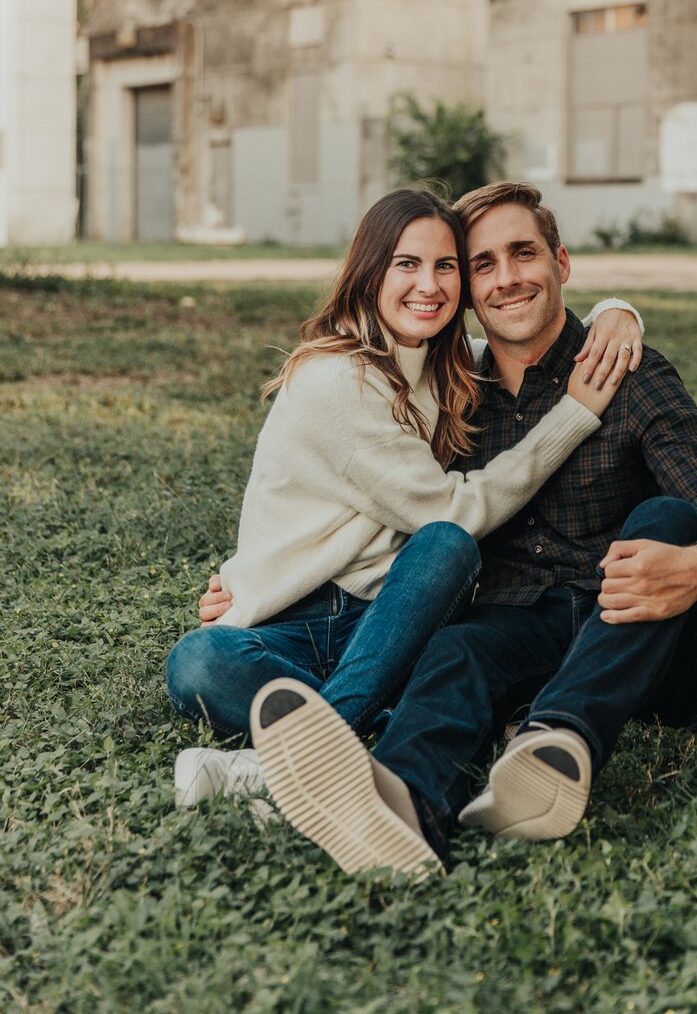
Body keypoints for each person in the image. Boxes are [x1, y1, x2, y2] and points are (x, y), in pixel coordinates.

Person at [249, 181, 697, 876]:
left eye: (524, 254)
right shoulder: (461, 391)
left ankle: (555, 736)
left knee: (668, 518)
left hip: (643, 637)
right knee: (458, 650)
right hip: (521, 627)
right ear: (466, 291)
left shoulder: (624, 372)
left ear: (562, 263)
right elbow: (378, 500)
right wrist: (244, 577)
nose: (507, 279)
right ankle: (400, 810)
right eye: (482, 264)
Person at [166, 186, 642, 805]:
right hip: (296, 621)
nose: (430, 285)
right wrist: (575, 413)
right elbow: (457, 508)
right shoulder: (337, 380)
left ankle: (300, 754)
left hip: (392, 613)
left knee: (447, 558)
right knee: (198, 662)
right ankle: (362, 731)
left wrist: (616, 310)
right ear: (370, 272)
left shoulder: (442, 365)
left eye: (446, 266)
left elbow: (528, 341)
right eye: (407, 264)